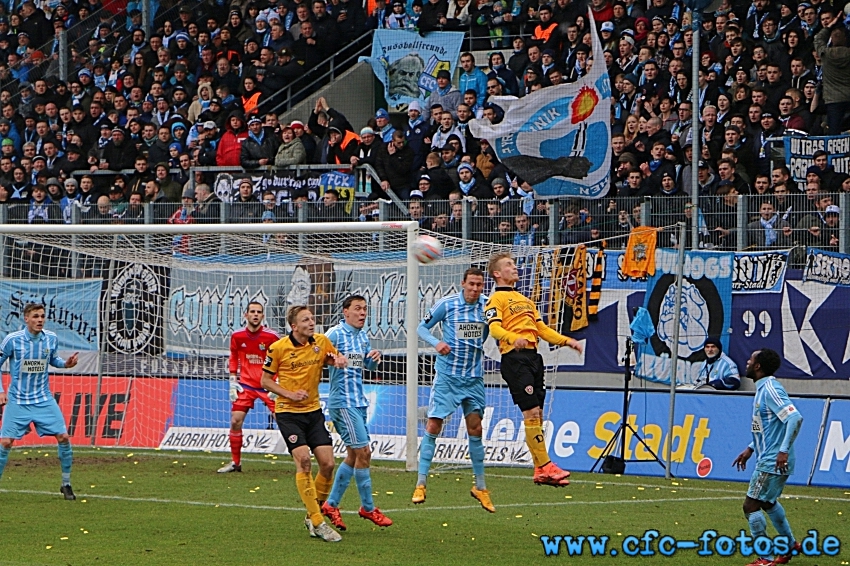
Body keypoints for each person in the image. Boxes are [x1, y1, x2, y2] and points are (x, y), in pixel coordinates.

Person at [484, 252, 582, 486]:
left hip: (534, 358)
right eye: (509, 265)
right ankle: (547, 464)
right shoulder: (495, 300)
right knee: (531, 412)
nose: (515, 268)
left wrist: (567, 341)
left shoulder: (526, 301)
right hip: (514, 358)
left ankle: (540, 470)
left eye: (515, 264)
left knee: (536, 414)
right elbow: (494, 329)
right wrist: (512, 337)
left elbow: (542, 329)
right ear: (497, 273)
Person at [261, 305, 348, 543]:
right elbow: (265, 380)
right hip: (288, 413)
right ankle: (318, 522)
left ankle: (313, 514)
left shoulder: (320, 342)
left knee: (328, 465)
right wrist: (288, 394)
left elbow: (333, 359)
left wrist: (339, 361)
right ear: (294, 326)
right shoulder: (278, 348)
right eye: (305, 320)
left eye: (312, 318)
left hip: (314, 412)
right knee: (304, 461)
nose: (311, 323)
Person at [412, 268, 494, 511]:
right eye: (471, 284)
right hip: (448, 378)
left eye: (479, 285)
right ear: (463, 284)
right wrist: (437, 343)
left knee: (476, 428)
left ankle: (480, 487)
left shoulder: (488, 306)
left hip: (474, 378)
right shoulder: (447, 305)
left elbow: (491, 330)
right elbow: (421, 328)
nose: (475, 289)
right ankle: (421, 483)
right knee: (434, 425)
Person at [321, 295, 393, 530]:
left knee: (353, 456)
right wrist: (332, 360)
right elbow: (316, 355)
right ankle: (368, 508)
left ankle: (331, 504)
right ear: (345, 312)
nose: (362, 313)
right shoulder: (334, 334)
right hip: (343, 403)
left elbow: (364, 367)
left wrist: (373, 360)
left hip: (359, 401)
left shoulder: (362, 337)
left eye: (365, 309)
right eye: (357, 309)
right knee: (364, 452)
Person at [0, 303, 80, 499]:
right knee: (5, 443)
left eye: (42, 316)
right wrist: (0, 391)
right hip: (18, 400)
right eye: (35, 316)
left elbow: (53, 359)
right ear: (26, 319)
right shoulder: (13, 340)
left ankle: (66, 484)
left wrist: (65, 364)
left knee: (63, 437)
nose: (40, 320)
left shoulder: (50, 338)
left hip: (43, 399)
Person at [733, 348, 804, 566]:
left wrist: (782, 450)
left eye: (751, 359)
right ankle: (790, 544)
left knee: (750, 506)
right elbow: (764, 425)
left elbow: (795, 418)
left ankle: (765, 558)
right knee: (768, 502)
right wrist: (750, 448)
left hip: (773, 459)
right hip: (770, 456)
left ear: (758, 366)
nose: (747, 361)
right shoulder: (761, 390)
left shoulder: (771, 388)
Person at [217, 302, 280, 474]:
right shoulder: (237, 336)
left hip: (268, 386)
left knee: (285, 422)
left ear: (263, 316)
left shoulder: (271, 336)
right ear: (246, 315)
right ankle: (235, 463)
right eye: (252, 312)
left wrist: (279, 382)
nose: (255, 315)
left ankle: (301, 460)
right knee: (235, 421)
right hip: (246, 385)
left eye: (259, 312)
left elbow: (282, 357)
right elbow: (233, 356)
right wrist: (232, 380)